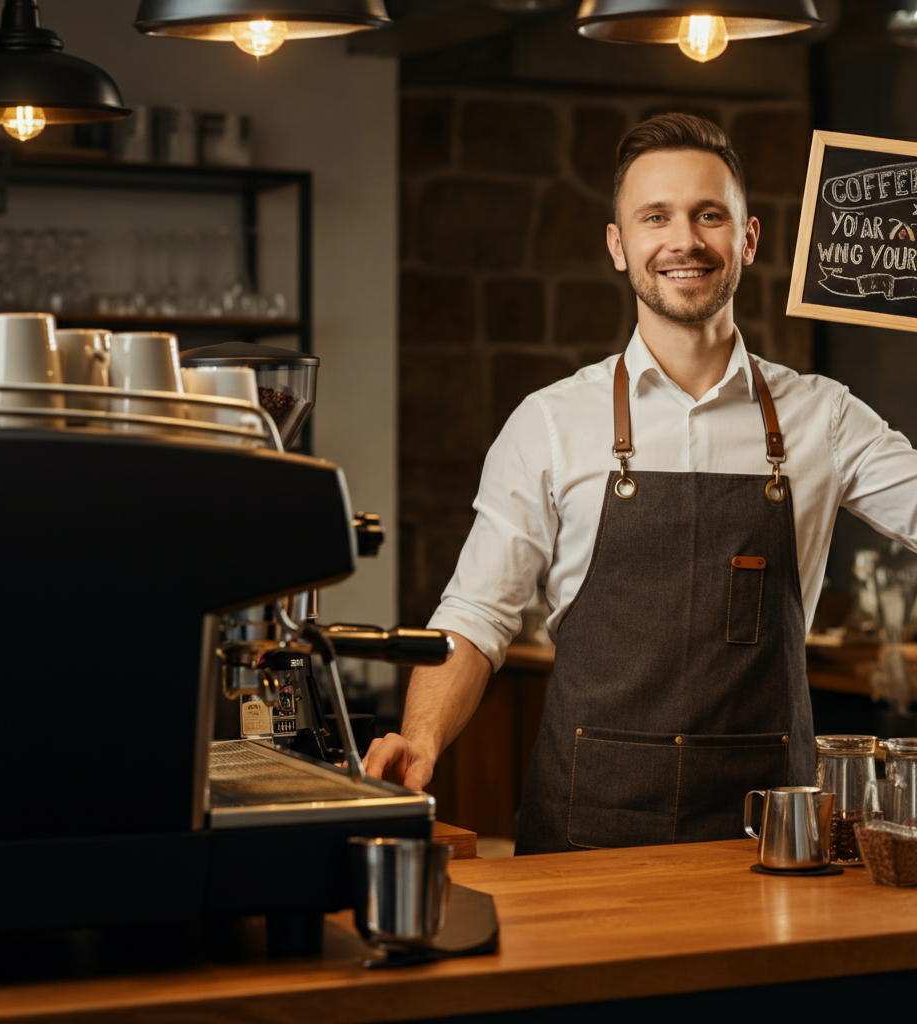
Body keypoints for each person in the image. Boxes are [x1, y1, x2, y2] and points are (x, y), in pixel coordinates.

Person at [363, 113, 917, 854]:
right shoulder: (549, 422)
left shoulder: (826, 416)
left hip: (770, 843)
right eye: (656, 217)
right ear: (619, 246)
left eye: (709, 215)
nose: (683, 240)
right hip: (586, 831)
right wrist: (422, 737)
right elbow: (475, 614)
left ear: (747, 240)